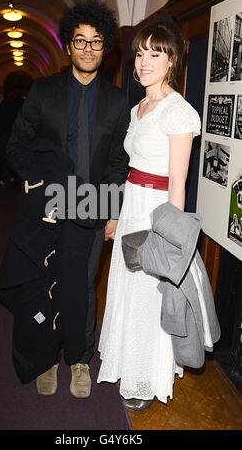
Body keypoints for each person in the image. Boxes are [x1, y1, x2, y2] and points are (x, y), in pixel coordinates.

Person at [5, 0, 130, 398]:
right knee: (47, 282)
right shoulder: (43, 92)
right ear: (68, 46)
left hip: (92, 210)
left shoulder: (117, 101)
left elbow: (116, 162)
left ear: (105, 48)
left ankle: (79, 359)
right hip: (49, 207)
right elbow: (17, 148)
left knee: (82, 287)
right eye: (81, 41)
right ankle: (45, 358)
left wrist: (111, 214)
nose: (88, 49)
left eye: (96, 42)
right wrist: (36, 185)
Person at [97, 21, 202, 411]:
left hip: (157, 213)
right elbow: (132, 168)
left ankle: (145, 376)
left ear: (171, 60)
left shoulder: (179, 112)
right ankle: (128, 361)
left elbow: (178, 184)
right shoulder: (140, 106)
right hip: (133, 206)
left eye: (154, 54)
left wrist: (168, 240)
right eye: (140, 54)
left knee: (148, 295)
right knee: (127, 289)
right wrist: (117, 216)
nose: (143, 62)